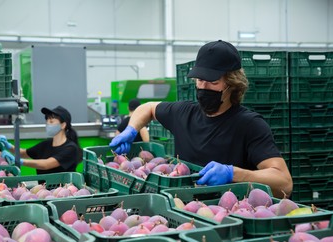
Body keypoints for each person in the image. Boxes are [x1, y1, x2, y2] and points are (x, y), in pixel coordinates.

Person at [109, 40, 293, 198]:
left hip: (228, 215)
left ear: (233, 84)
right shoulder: (183, 113)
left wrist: (234, 173)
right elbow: (147, 108)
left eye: (213, 82)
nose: (203, 87)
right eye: (199, 80)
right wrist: (131, 129)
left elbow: (284, 183)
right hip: (182, 209)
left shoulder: (249, 125)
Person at [0, 105, 82, 175]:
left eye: (51, 121)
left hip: (64, 191)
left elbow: (46, 164)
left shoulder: (70, 148)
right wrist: (8, 145)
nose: (48, 124)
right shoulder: (46, 144)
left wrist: (20, 161)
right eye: (47, 121)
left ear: (63, 125)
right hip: (44, 190)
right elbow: (23, 153)